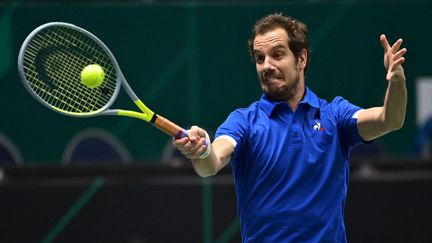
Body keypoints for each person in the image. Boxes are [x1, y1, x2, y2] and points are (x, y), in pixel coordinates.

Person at [173, 13, 407, 242]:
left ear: (301, 59)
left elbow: (390, 120)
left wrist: (396, 81)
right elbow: (210, 164)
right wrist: (202, 150)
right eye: (259, 58)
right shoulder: (243, 121)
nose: (266, 66)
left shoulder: (335, 115)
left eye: (277, 55)